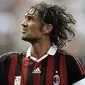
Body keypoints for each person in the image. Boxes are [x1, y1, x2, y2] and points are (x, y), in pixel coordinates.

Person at [0, 2, 85, 85]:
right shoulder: (8, 61)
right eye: (25, 18)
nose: (23, 23)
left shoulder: (68, 61)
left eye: (30, 19)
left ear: (47, 28)